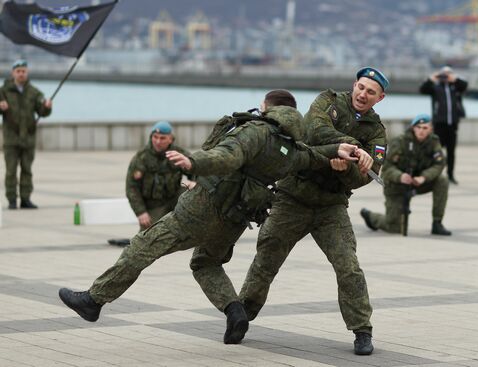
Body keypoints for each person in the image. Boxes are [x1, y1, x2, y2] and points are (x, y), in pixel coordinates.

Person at [57, 90, 371, 346]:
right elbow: (315, 157)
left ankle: (94, 301)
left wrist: (192, 162)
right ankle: (235, 312)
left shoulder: (256, 131)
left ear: (266, 107)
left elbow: (226, 156)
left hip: (200, 208)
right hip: (234, 221)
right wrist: (336, 149)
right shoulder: (289, 148)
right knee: (205, 263)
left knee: (143, 247)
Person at [238, 67, 388, 355]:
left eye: (371, 92)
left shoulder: (378, 134)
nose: (363, 94)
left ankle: (362, 330)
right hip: (293, 196)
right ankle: (242, 315)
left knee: (348, 267)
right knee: (266, 258)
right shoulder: (327, 102)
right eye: (361, 87)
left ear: (380, 98)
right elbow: (312, 130)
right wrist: (350, 149)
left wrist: (345, 169)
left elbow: (363, 178)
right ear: (354, 85)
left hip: (330, 206)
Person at [360, 114, 451, 236]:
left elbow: (439, 164)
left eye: (425, 128)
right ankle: (371, 217)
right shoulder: (400, 141)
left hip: (417, 182)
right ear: (413, 128)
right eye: (418, 127)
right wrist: (400, 176)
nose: (421, 131)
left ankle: (437, 223)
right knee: (394, 227)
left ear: (430, 129)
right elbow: (387, 168)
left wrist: (424, 177)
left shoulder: (433, 142)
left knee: (442, 180)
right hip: (396, 185)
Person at [107, 121, 195, 247]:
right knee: (148, 238)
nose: (158, 141)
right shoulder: (141, 158)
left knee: (192, 192)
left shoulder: (179, 154)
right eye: (155, 137)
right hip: (154, 205)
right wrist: (141, 212)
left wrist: (195, 183)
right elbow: (132, 188)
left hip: (174, 198)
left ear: (170, 139)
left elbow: (197, 172)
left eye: (162, 138)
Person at [0, 59, 52, 209]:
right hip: (11, 139)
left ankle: (25, 199)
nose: (21, 74)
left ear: (27, 73)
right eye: (18, 71)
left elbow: (42, 112)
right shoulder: (3, 91)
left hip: (28, 138)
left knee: (27, 170)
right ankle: (11, 199)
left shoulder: (34, 92)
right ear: (13, 73)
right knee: (11, 171)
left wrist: (47, 107)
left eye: (23, 71)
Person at [419, 66, 467, 185]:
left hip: (452, 124)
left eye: (447, 74)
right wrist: (432, 78)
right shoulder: (436, 87)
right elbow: (422, 89)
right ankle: (434, 174)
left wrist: (454, 79)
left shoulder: (455, 87)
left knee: (451, 152)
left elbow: (465, 85)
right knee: (436, 151)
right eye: (443, 74)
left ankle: (450, 175)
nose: (445, 76)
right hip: (439, 124)